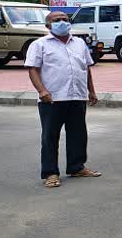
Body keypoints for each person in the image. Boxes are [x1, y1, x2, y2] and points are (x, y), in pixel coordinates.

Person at [25, 11, 100, 188]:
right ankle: (50, 173)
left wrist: (91, 91)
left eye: (65, 20)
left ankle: (77, 167)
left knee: (78, 134)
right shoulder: (39, 44)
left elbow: (86, 69)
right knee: (50, 136)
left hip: (77, 95)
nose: (62, 22)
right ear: (48, 25)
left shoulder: (79, 43)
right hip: (52, 98)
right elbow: (33, 69)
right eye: (57, 20)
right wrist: (42, 91)